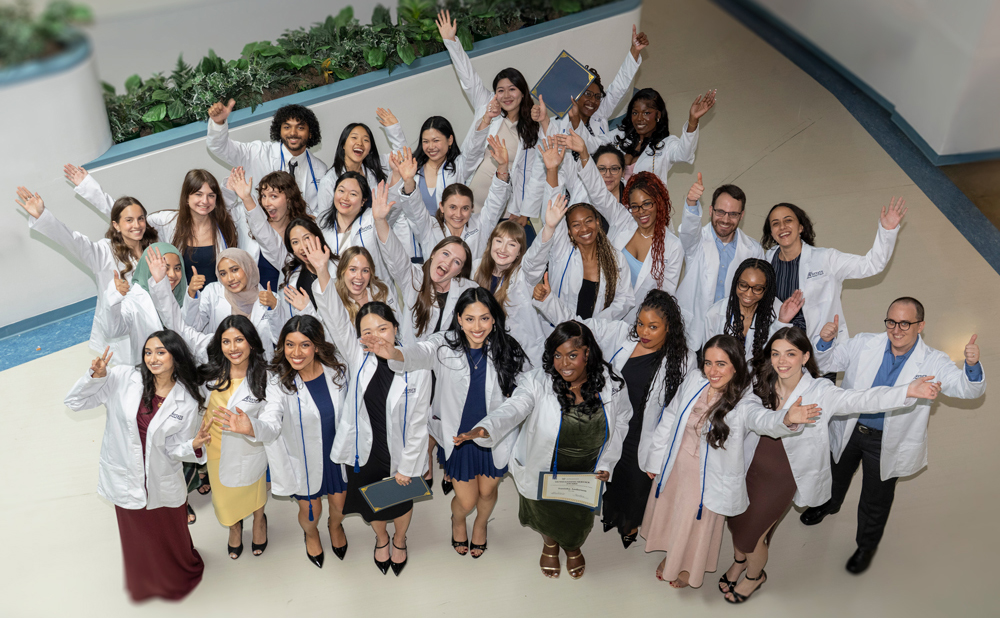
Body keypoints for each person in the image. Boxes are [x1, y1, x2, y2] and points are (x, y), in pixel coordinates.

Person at [721, 327, 942, 602]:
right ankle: (739, 562)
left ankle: (755, 576)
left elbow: (863, 398)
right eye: (776, 354)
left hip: (783, 477)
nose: (782, 361)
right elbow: (750, 416)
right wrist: (786, 417)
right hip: (750, 467)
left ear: (805, 357)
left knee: (751, 535)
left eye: (791, 354)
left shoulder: (821, 391)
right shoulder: (760, 382)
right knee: (737, 520)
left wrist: (907, 390)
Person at [801, 297, 986, 573]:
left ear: (920, 325)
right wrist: (825, 342)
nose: (896, 329)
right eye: (891, 322)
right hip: (850, 429)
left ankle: (866, 546)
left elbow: (967, 390)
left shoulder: (933, 361)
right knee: (835, 474)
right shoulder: (864, 343)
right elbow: (825, 362)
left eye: (905, 323)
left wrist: (971, 366)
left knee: (876, 499)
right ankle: (829, 504)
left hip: (886, 442)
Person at [455, 321, 632, 579]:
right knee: (544, 511)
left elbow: (623, 419)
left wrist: (607, 462)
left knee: (579, 518)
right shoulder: (538, 382)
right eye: (557, 356)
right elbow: (514, 408)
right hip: (545, 468)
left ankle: (572, 546)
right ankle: (550, 543)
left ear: (588, 353)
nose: (564, 364)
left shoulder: (611, 382)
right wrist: (486, 428)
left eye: (572, 355)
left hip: (586, 473)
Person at [638, 335, 817, 590]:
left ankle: (688, 568)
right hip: (677, 466)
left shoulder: (744, 401)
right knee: (674, 516)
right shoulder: (694, 380)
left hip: (706, 477)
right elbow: (670, 416)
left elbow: (762, 420)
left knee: (692, 523)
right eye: (708, 363)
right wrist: (655, 460)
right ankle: (673, 555)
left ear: (735, 365)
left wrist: (786, 419)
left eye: (721, 364)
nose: (713, 371)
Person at [363, 287, 528, 559]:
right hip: (458, 438)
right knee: (466, 499)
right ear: (459, 319)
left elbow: (521, 397)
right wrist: (393, 353)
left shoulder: (507, 349)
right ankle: (458, 520)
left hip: (494, 435)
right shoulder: (443, 344)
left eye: (485, 318)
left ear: (494, 320)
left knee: (487, 493)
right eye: (470, 319)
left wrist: (491, 427)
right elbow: (416, 354)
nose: (478, 326)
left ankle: (482, 524)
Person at [305, 234, 431, 575]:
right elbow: (332, 313)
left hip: (400, 451)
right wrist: (321, 270)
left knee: (401, 502)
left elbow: (419, 424)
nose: (375, 335)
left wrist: (408, 466)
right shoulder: (357, 354)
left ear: (395, 330)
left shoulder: (415, 366)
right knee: (373, 503)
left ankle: (400, 540)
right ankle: (380, 539)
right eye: (367, 330)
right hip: (365, 447)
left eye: (383, 328)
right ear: (358, 335)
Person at [534, 285, 694, 549]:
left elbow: (679, 411)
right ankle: (610, 516)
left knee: (635, 483)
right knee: (608, 474)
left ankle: (629, 525)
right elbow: (580, 328)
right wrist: (548, 300)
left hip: (646, 434)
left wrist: (660, 453)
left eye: (653, 327)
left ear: (669, 328)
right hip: (613, 422)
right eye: (641, 323)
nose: (644, 332)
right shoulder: (622, 334)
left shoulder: (684, 360)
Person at [145, 249, 274, 560]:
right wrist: (161, 284)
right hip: (215, 442)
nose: (232, 348)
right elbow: (177, 322)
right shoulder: (211, 357)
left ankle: (258, 519)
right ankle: (233, 526)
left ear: (252, 342)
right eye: (226, 341)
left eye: (240, 341)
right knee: (224, 492)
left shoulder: (263, 372)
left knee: (254, 485)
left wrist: (252, 426)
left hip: (250, 441)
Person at [63, 334, 211, 601]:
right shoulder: (122, 377)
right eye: (148, 352)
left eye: (160, 352)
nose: (152, 359)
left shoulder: (187, 399)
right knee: (138, 535)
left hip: (160, 478)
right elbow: (75, 403)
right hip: (126, 475)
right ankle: (148, 576)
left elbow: (174, 448)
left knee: (169, 532)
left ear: (175, 356)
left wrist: (194, 444)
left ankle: (178, 574)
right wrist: (94, 377)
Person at [240, 315, 349, 569]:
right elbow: (272, 421)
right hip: (304, 459)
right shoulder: (279, 382)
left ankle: (335, 527)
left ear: (317, 346)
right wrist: (253, 427)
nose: (296, 353)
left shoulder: (338, 370)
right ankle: (311, 534)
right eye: (290, 344)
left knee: (339, 508)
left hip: (336, 455)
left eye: (304, 345)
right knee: (312, 514)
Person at [16, 186, 158, 363]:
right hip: (125, 333)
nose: (136, 225)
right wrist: (43, 216)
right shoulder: (104, 252)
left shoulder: (154, 248)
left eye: (141, 219)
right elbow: (73, 241)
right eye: (129, 220)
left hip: (156, 324)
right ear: (116, 225)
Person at [437, 9, 542, 243]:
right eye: (500, 90)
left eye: (512, 89)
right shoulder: (488, 107)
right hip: (468, 200)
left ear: (523, 92)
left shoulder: (532, 128)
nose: (506, 95)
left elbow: (533, 174)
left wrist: (525, 210)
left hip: (503, 207)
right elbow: (468, 78)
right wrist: (451, 41)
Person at [559, 132, 684, 315]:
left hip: (638, 321)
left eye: (647, 204)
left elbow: (664, 297)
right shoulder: (623, 219)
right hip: (601, 308)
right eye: (635, 206)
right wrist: (585, 154)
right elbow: (598, 192)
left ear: (659, 202)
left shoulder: (672, 246)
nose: (641, 212)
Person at [762, 198, 906, 348]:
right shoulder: (767, 261)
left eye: (788, 220)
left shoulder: (826, 259)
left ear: (800, 227)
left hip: (820, 348)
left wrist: (887, 230)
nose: (782, 227)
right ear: (771, 233)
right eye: (775, 223)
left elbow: (871, 265)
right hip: (782, 347)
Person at [64, 168, 241, 285]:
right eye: (198, 194)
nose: (205, 201)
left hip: (221, 298)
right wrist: (89, 187)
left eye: (211, 196)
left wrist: (234, 190)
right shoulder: (168, 222)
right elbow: (129, 217)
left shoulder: (225, 224)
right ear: (186, 198)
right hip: (184, 301)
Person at [372, 181, 477, 344]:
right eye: (445, 253)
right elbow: (395, 253)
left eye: (456, 261)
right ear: (433, 254)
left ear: (460, 271)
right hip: (413, 364)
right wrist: (380, 220)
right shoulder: (414, 277)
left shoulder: (469, 290)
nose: (448, 263)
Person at [472, 193, 569, 364]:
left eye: (512, 244)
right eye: (499, 241)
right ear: (490, 243)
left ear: (519, 252)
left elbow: (536, 258)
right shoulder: (474, 269)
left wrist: (549, 228)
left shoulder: (523, 275)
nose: (503, 249)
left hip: (521, 358)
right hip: (483, 354)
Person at [675, 175, 764, 342]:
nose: (725, 219)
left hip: (730, 330)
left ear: (742, 215)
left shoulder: (753, 250)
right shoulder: (696, 240)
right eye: (720, 212)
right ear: (710, 211)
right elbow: (688, 232)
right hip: (693, 331)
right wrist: (691, 203)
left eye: (733, 214)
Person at [391, 139, 511, 260]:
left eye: (465, 208)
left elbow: (496, 201)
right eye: (452, 207)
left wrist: (503, 166)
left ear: (472, 209)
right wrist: (408, 181)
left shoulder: (481, 224)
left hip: (473, 279)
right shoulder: (429, 228)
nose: (458, 214)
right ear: (441, 207)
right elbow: (414, 209)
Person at [207, 100, 328, 213]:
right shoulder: (257, 153)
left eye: (300, 127)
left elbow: (322, 210)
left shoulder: (320, 170)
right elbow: (220, 147)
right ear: (279, 130)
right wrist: (218, 123)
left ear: (310, 133)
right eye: (287, 127)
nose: (293, 133)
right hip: (260, 230)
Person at [603, 87, 716, 187]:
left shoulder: (666, 144)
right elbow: (594, 145)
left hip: (644, 208)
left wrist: (693, 120)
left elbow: (685, 154)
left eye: (646, 113)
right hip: (613, 206)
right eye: (635, 113)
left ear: (658, 115)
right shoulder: (620, 135)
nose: (639, 118)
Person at [182, 248, 282, 357]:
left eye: (234, 270)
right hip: (222, 365)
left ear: (248, 267)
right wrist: (192, 294)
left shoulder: (271, 298)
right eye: (223, 273)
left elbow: (280, 340)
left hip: (258, 367)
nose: (230, 278)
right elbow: (191, 326)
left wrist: (274, 308)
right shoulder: (213, 292)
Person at [104, 243, 188, 368]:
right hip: (152, 369)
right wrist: (114, 298)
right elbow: (113, 331)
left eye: (177, 268)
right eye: (164, 268)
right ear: (148, 269)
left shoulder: (184, 295)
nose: (172, 275)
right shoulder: (134, 302)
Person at [227, 167, 311, 291]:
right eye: (263, 196)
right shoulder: (250, 219)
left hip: (285, 301)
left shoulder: (302, 230)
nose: (266, 203)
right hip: (252, 299)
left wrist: (248, 199)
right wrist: (242, 196)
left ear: (289, 198)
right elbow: (219, 212)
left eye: (273, 196)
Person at [700, 258, 801, 359]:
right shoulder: (715, 313)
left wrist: (782, 321)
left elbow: (779, 354)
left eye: (757, 289)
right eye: (743, 285)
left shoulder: (778, 310)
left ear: (767, 289)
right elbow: (708, 357)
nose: (748, 294)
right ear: (736, 282)